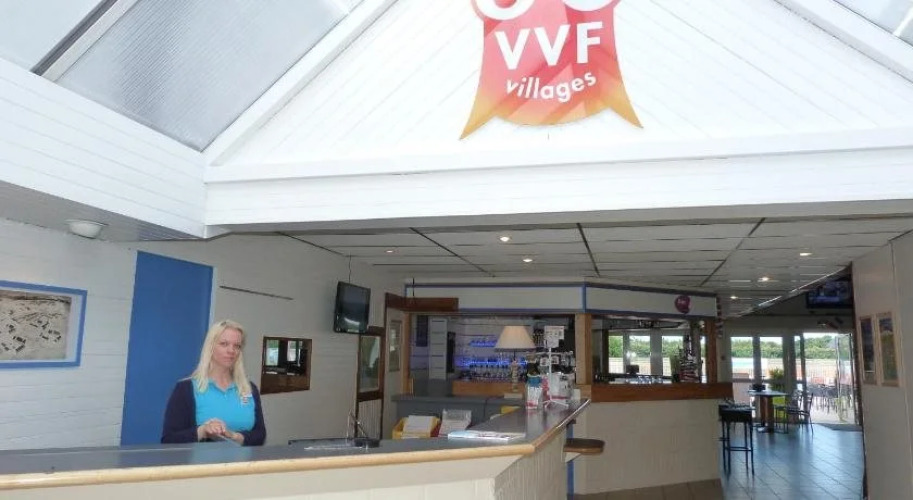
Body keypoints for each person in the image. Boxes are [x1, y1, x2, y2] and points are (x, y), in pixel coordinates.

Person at [161, 319, 266, 445]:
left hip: (242, 459)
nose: (231, 350)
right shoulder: (186, 389)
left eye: (237, 346)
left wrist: (235, 437)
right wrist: (203, 431)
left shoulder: (249, 389)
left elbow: (260, 435)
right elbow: (169, 439)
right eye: (224, 344)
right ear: (210, 347)